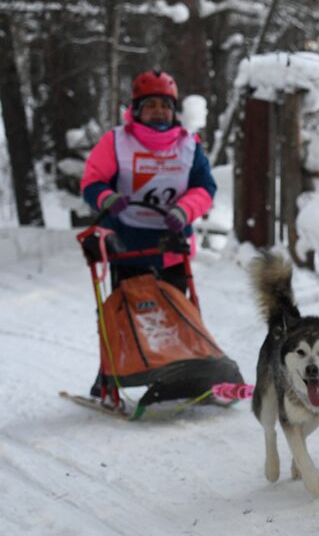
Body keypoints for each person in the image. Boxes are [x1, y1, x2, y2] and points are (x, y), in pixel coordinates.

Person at [80, 69, 218, 398]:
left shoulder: (188, 144)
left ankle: (186, 375)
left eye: (165, 105)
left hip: (171, 243)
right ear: (136, 109)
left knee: (176, 312)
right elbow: (92, 181)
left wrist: (184, 210)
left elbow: (205, 187)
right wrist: (106, 198)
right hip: (126, 243)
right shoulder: (115, 141)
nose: (159, 111)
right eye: (150, 104)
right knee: (128, 314)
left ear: (175, 110)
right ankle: (112, 373)